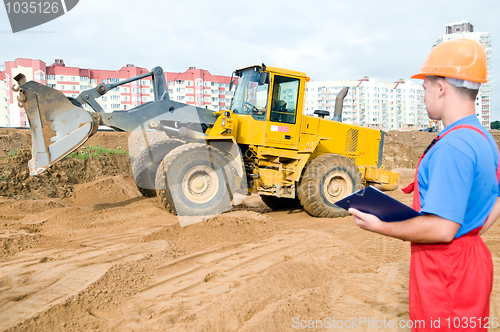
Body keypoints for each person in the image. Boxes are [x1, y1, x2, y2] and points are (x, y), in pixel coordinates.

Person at [349, 38, 500, 331]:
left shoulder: (452, 147)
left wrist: (379, 224)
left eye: (425, 87)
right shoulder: (483, 139)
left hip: (446, 270)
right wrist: (471, 229)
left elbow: (442, 230)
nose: (423, 94)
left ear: (441, 87)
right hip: (471, 262)